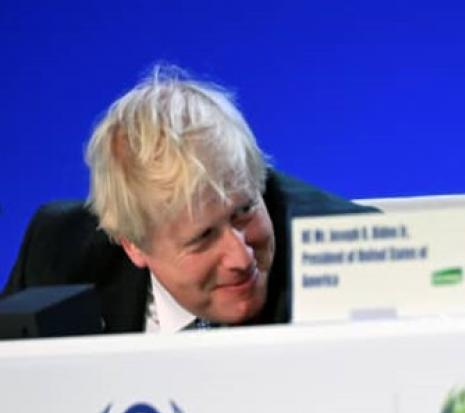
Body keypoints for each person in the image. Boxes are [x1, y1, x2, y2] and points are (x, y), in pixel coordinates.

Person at [3, 66, 375, 332]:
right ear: (132, 245)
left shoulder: (347, 250)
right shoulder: (57, 254)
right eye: (203, 237)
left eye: (244, 211)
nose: (240, 257)